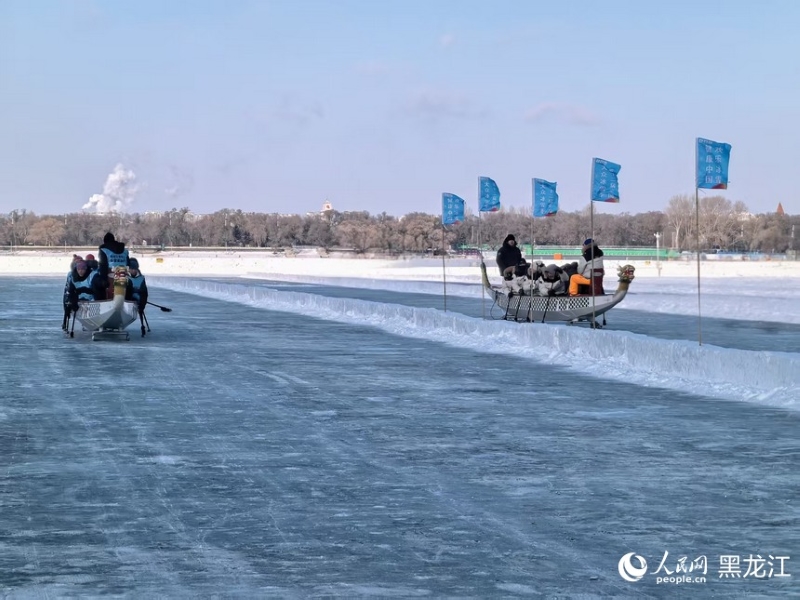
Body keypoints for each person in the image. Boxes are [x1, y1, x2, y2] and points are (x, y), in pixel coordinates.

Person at [98, 232, 130, 299]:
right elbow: (128, 263)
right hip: (123, 272)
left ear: (105, 241)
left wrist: (103, 279)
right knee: (123, 291)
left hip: (111, 273)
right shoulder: (125, 250)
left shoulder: (104, 250)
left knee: (110, 292)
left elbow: (103, 265)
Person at [62, 254, 82, 330]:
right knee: (67, 304)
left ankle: (65, 321)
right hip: (71, 291)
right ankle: (65, 321)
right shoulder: (71, 274)